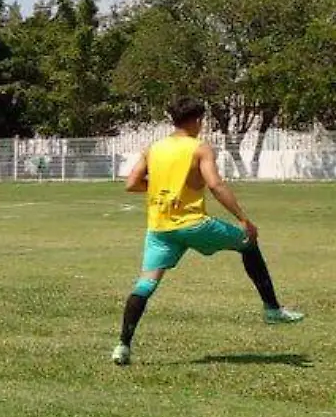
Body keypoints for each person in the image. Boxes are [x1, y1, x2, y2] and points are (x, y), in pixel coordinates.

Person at [112, 97, 304, 366]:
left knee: (145, 284)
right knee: (248, 241)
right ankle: (272, 309)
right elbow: (215, 184)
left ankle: (123, 346)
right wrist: (243, 218)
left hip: (159, 230)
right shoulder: (199, 148)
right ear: (197, 120)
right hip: (194, 225)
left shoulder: (153, 149)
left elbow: (132, 183)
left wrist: (161, 189)